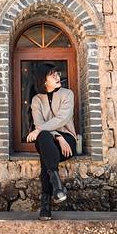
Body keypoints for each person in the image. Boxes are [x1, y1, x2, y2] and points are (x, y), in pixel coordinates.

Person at [26, 63, 77, 221]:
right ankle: (57, 185)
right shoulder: (36, 100)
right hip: (50, 139)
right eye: (52, 75)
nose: (57, 77)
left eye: (57, 73)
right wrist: (57, 137)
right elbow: (39, 124)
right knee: (44, 138)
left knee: (45, 155)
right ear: (43, 80)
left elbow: (63, 118)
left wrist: (61, 136)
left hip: (68, 141)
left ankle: (46, 203)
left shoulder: (67, 94)